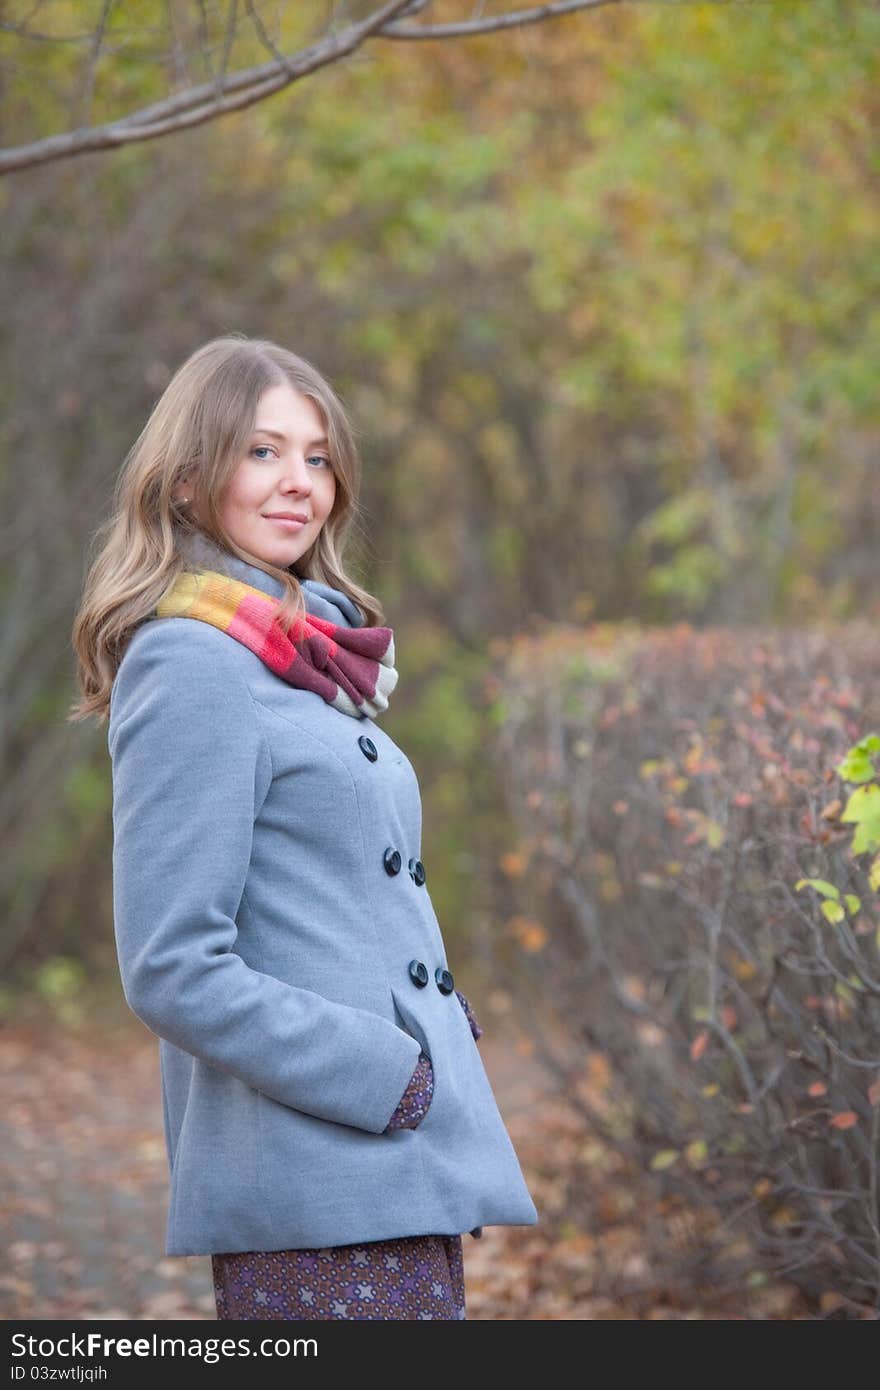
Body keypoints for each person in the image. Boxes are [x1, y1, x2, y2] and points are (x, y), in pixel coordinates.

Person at [70, 334, 538, 1321]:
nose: (299, 484)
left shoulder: (297, 657)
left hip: (389, 1167)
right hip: (318, 1179)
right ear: (190, 480)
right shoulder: (192, 664)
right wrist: (387, 1071)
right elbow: (172, 964)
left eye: (317, 456)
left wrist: (426, 1040)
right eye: (263, 451)